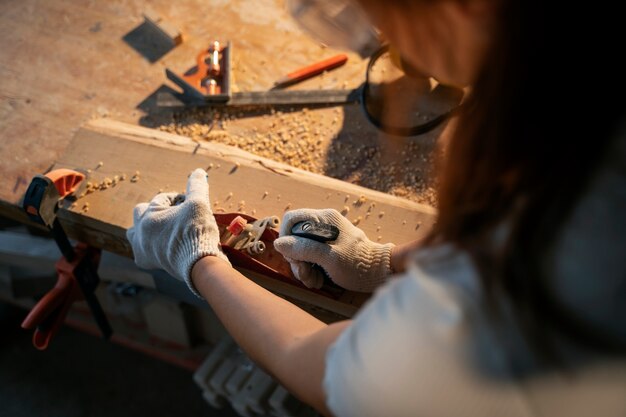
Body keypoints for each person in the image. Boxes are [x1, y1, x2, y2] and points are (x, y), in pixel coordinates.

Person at [127, 0, 626, 416]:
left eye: (384, 17)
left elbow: (332, 373)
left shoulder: (547, 273)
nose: (383, 38)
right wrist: (384, 263)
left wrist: (200, 261)